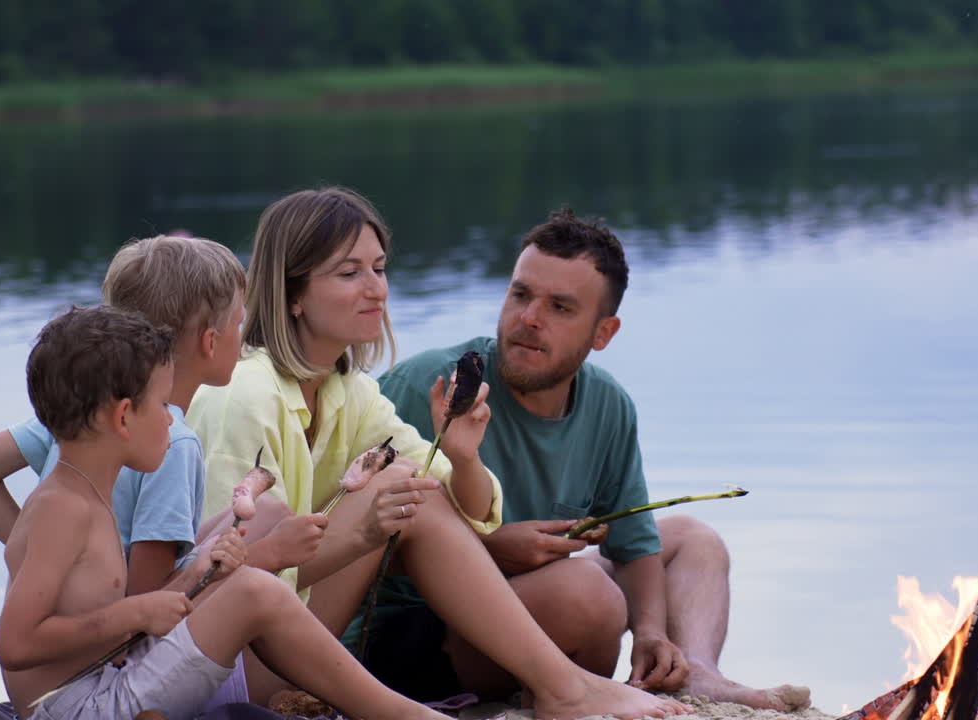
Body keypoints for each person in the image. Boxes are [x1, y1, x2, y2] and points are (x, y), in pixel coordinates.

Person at [187, 186, 689, 719]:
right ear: (294, 294)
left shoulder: (349, 393)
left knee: (413, 486)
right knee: (404, 488)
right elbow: (219, 583)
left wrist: (464, 457)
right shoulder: (242, 395)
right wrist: (362, 532)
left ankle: (566, 688)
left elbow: (466, 508)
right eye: (349, 273)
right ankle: (565, 690)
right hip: (227, 661)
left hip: (293, 642)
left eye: (379, 269)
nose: (377, 289)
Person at [373, 208, 812, 711]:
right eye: (521, 294)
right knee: (590, 593)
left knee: (694, 541)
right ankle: (566, 694)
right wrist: (488, 549)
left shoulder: (608, 404)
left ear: (603, 333)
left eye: (560, 307)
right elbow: (352, 541)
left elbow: (634, 544)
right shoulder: (430, 385)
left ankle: (697, 674)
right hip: (419, 637)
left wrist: (650, 631)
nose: (528, 318)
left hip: (527, 602)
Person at [0, 305, 454, 720]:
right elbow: (15, 644)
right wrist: (135, 613)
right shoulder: (62, 510)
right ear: (122, 418)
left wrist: (198, 572)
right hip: (79, 707)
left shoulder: (87, 493)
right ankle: (405, 716)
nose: (171, 419)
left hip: (104, 681)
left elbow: (109, 622)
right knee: (255, 591)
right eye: (162, 405)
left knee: (242, 567)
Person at [0, 235, 324, 708]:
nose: (244, 338)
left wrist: (39, 558)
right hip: (106, 663)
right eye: (239, 322)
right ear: (210, 342)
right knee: (260, 564)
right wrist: (265, 557)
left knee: (267, 512)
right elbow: (148, 606)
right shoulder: (173, 442)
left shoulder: (82, 411)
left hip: (80, 643)